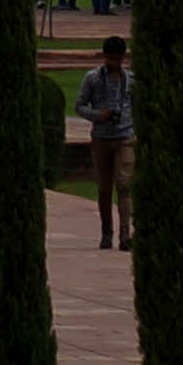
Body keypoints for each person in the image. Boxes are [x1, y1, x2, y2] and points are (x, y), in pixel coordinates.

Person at [72, 37, 135, 248]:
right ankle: (106, 232)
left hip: (125, 137)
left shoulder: (131, 80)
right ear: (104, 56)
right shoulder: (93, 78)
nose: (113, 63)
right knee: (104, 188)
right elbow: (79, 106)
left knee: (124, 185)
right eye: (110, 59)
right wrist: (99, 115)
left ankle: (125, 234)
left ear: (123, 57)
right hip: (101, 137)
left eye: (117, 59)